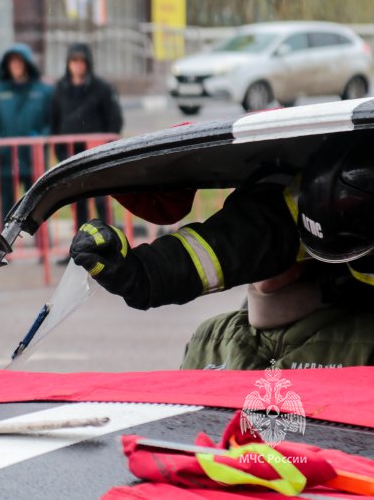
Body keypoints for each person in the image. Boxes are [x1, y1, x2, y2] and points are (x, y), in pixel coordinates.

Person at [69, 132, 374, 370]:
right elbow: (231, 244)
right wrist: (139, 272)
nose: (263, 268)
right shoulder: (212, 340)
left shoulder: (360, 341)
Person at [0, 43, 52, 224]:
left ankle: (43, 245)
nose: (16, 67)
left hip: (34, 160)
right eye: (12, 63)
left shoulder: (44, 91)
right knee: (7, 208)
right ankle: (4, 248)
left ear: (27, 64)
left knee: (38, 206)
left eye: (19, 62)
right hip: (6, 162)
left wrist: (41, 139)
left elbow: (53, 121)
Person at [51, 43, 122, 227]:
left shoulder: (102, 89)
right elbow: (54, 122)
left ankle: (109, 240)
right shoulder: (60, 89)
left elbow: (114, 120)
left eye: (81, 61)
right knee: (78, 201)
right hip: (72, 155)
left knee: (101, 200)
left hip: (98, 153)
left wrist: (108, 148)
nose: (77, 65)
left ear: (88, 63)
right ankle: (82, 244)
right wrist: (61, 155)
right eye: (74, 61)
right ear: (68, 63)